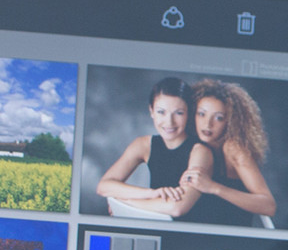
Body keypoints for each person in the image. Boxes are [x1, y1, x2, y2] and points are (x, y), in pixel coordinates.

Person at [96, 77, 215, 218]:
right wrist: (150, 193)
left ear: (188, 114)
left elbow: (177, 208)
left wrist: (125, 201)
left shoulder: (200, 152)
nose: (169, 122)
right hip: (154, 226)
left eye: (179, 113)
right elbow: (103, 186)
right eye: (161, 112)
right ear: (151, 111)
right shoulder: (143, 145)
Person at [179, 79, 277, 226]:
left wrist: (213, 187)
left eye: (219, 118)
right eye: (201, 114)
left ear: (230, 122)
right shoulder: (193, 144)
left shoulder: (233, 148)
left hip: (233, 232)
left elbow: (269, 206)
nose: (208, 124)